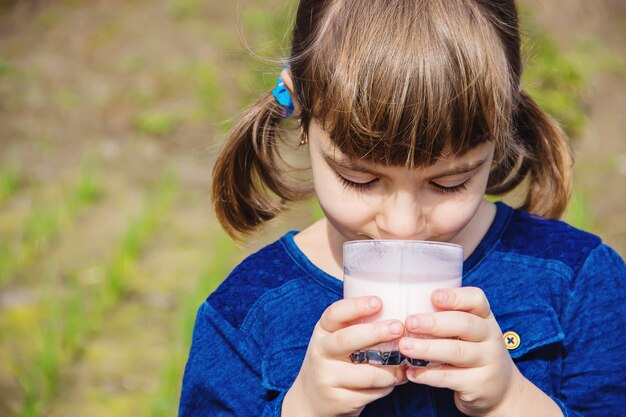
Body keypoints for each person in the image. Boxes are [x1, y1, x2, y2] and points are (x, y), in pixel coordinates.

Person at [178, 0, 626, 416]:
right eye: (360, 179)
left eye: (449, 182)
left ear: (502, 128)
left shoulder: (578, 283)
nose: (402, 225)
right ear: (300, 114)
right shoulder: (243, 316)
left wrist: (511, 399)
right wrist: (303, 408)